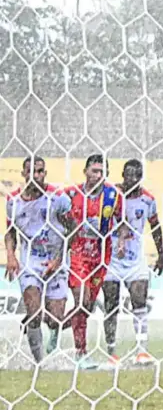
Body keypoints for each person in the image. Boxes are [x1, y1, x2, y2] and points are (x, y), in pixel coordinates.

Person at [4, 156, 73, 364]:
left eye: (40, 171)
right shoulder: (13, 201)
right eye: (32, 171)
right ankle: (40, 363)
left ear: (45, 173)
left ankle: (48, 328)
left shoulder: (58, 198)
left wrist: (58, 260)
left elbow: (73, 230)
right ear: (23, 174)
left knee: (54, 321)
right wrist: (10, 256)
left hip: (56, 260)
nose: (36, 175)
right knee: (34, 313)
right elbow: (10, 232)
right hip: (31, 261)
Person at [64, 154, 127, 370]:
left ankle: (57, 327)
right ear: (85, 172)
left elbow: (123, 222)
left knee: (87, 307)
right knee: (82, 301)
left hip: (100, 257)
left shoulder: (113, 195)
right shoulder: (71, 194)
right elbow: (55, 215)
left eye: (102, 172)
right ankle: (81, 353)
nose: (99, 175)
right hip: (77, 254)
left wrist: (121, 241)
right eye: (95, 171)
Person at [103, 159, 163, 366]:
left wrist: (161, 255)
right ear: (122, 175)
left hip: (135, 260)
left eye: (136, 176)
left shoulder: (147, 200)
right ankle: (111, 353)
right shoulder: (111, 194)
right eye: (128, 175)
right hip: (111, 259)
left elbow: (155, 226)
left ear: (141, 177)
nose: (131, 179)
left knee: (139, 300)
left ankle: (142, 351)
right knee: (111, 304)